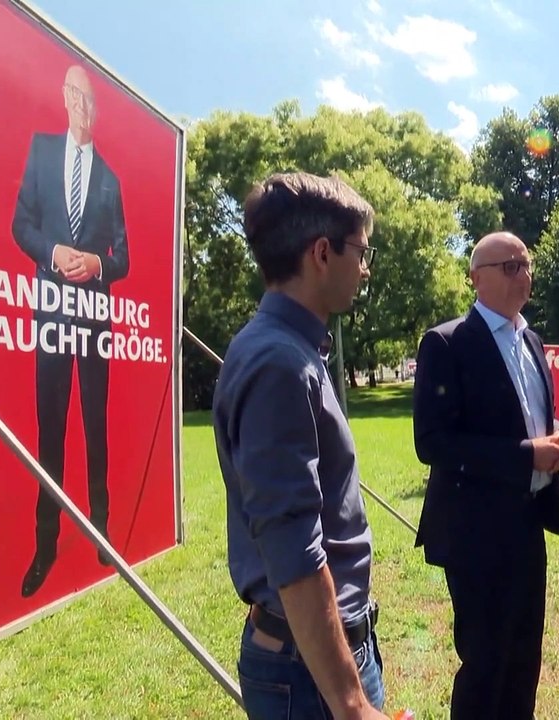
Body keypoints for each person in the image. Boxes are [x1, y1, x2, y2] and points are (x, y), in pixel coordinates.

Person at [212, 172, 388, 720]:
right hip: (308, 674)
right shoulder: (281, 364)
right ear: (321, 253)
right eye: (361, 251)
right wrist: (351, 701)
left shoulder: (288, 350)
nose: (365, 267)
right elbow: (295, 551)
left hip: (312, 661)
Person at [413, 231, 559, 719]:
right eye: (509, 266)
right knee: (486, 662)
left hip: (528, 523)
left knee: (526, 657)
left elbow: (536, 414)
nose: (522, 275)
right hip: (474, 530)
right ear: (476, 278)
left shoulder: (530, 339)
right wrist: (527, 454)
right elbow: (433, 443)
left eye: (526, 265)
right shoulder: (446, 343)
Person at [11, 64, 130, 598]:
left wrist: (96, 264)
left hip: (95, 318)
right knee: (50, 432)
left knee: (95, 426)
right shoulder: (40, 152)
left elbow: (123, 257)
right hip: (52, 314)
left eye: (90, 99)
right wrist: (54, 253)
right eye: (74, 95)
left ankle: (102, 533)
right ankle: (46, 544)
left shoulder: (110, 178)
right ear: (63, 98)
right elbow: (21, 225)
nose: (82, 106)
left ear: (97, 110)